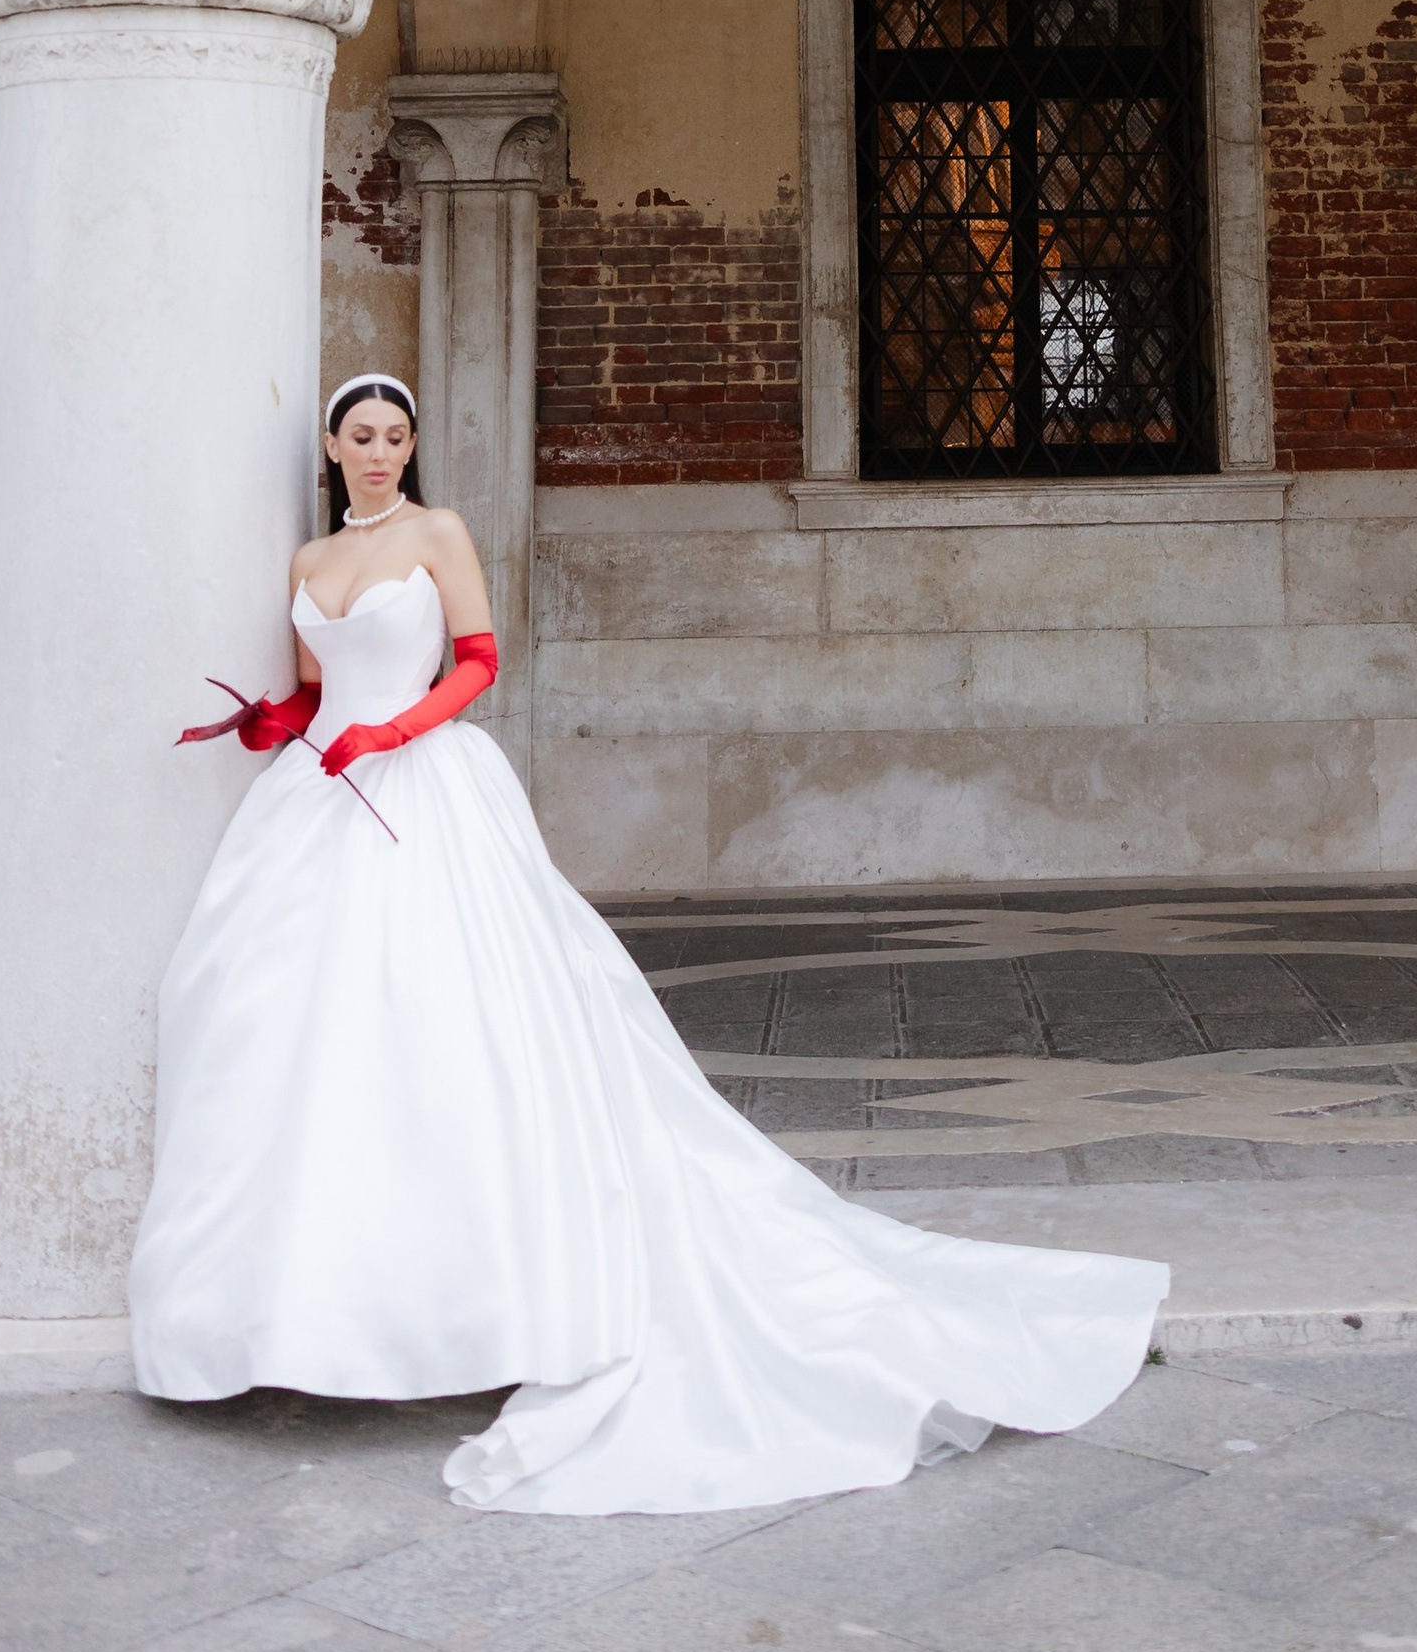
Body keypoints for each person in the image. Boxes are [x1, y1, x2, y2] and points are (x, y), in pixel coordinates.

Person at [127, 372, 1167, 1513]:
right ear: (328, 446)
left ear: (413, 443)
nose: (378, 452)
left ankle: (492, 1300)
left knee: (448, 1013)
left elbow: (476, 659)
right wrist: (277, 722)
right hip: (318, 800)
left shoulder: (441, 531)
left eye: (395, 436)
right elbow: (314, 685)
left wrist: (390, 728)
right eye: (359, 436)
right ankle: (298, 1305)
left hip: (419, 782)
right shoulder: (307, 565)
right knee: (281, 1018)